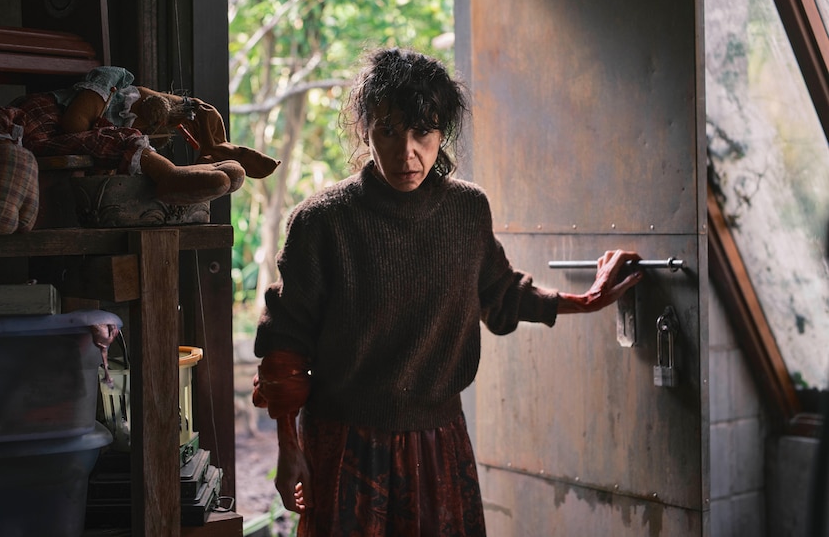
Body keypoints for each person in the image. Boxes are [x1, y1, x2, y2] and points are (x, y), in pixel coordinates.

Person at [251, 47, 644, 536]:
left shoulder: (467, 210)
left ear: (442, 133)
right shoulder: (323, 220)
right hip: (344, 442)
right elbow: (285, 343)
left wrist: (586, 300)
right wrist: (289, 448)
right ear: (366, 130)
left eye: (423, 132)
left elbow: (500, 292)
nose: (406, 152)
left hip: (438, 443)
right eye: (389, 131)